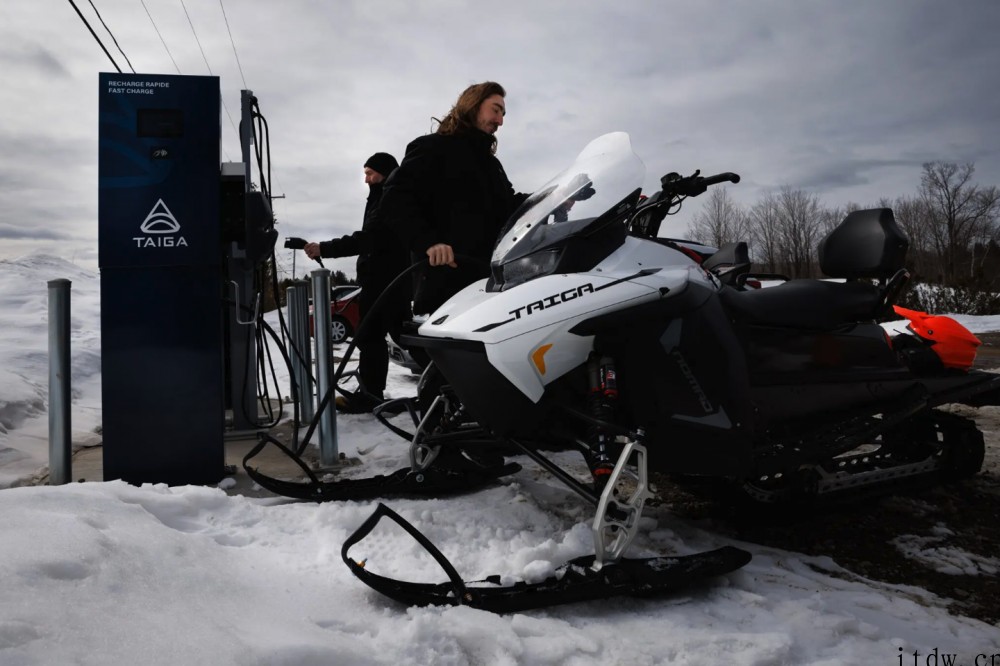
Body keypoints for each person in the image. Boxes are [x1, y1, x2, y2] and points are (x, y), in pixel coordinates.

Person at [379, 81, 526, 315]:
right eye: (495, 110)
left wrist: (554, 196)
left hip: (488, 287)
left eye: (503, 114)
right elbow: (394, 198)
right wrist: (427, 242)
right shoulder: (433, 148)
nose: (500, 121)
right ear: (473, 106)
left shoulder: (492, 165)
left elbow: (510, 206)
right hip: (443, 287)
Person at [303, 152, 408, 413]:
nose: (366, 178)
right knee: (384, 335)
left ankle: (444, 388)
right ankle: (373, 393)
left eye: (370, 173)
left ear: (385, 173)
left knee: (387, 336)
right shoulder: (380, 198)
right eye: (365, 173)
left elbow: (367, 239)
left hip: (388, 281)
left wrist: (324, 248)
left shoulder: (389, 199)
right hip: (381, 280)